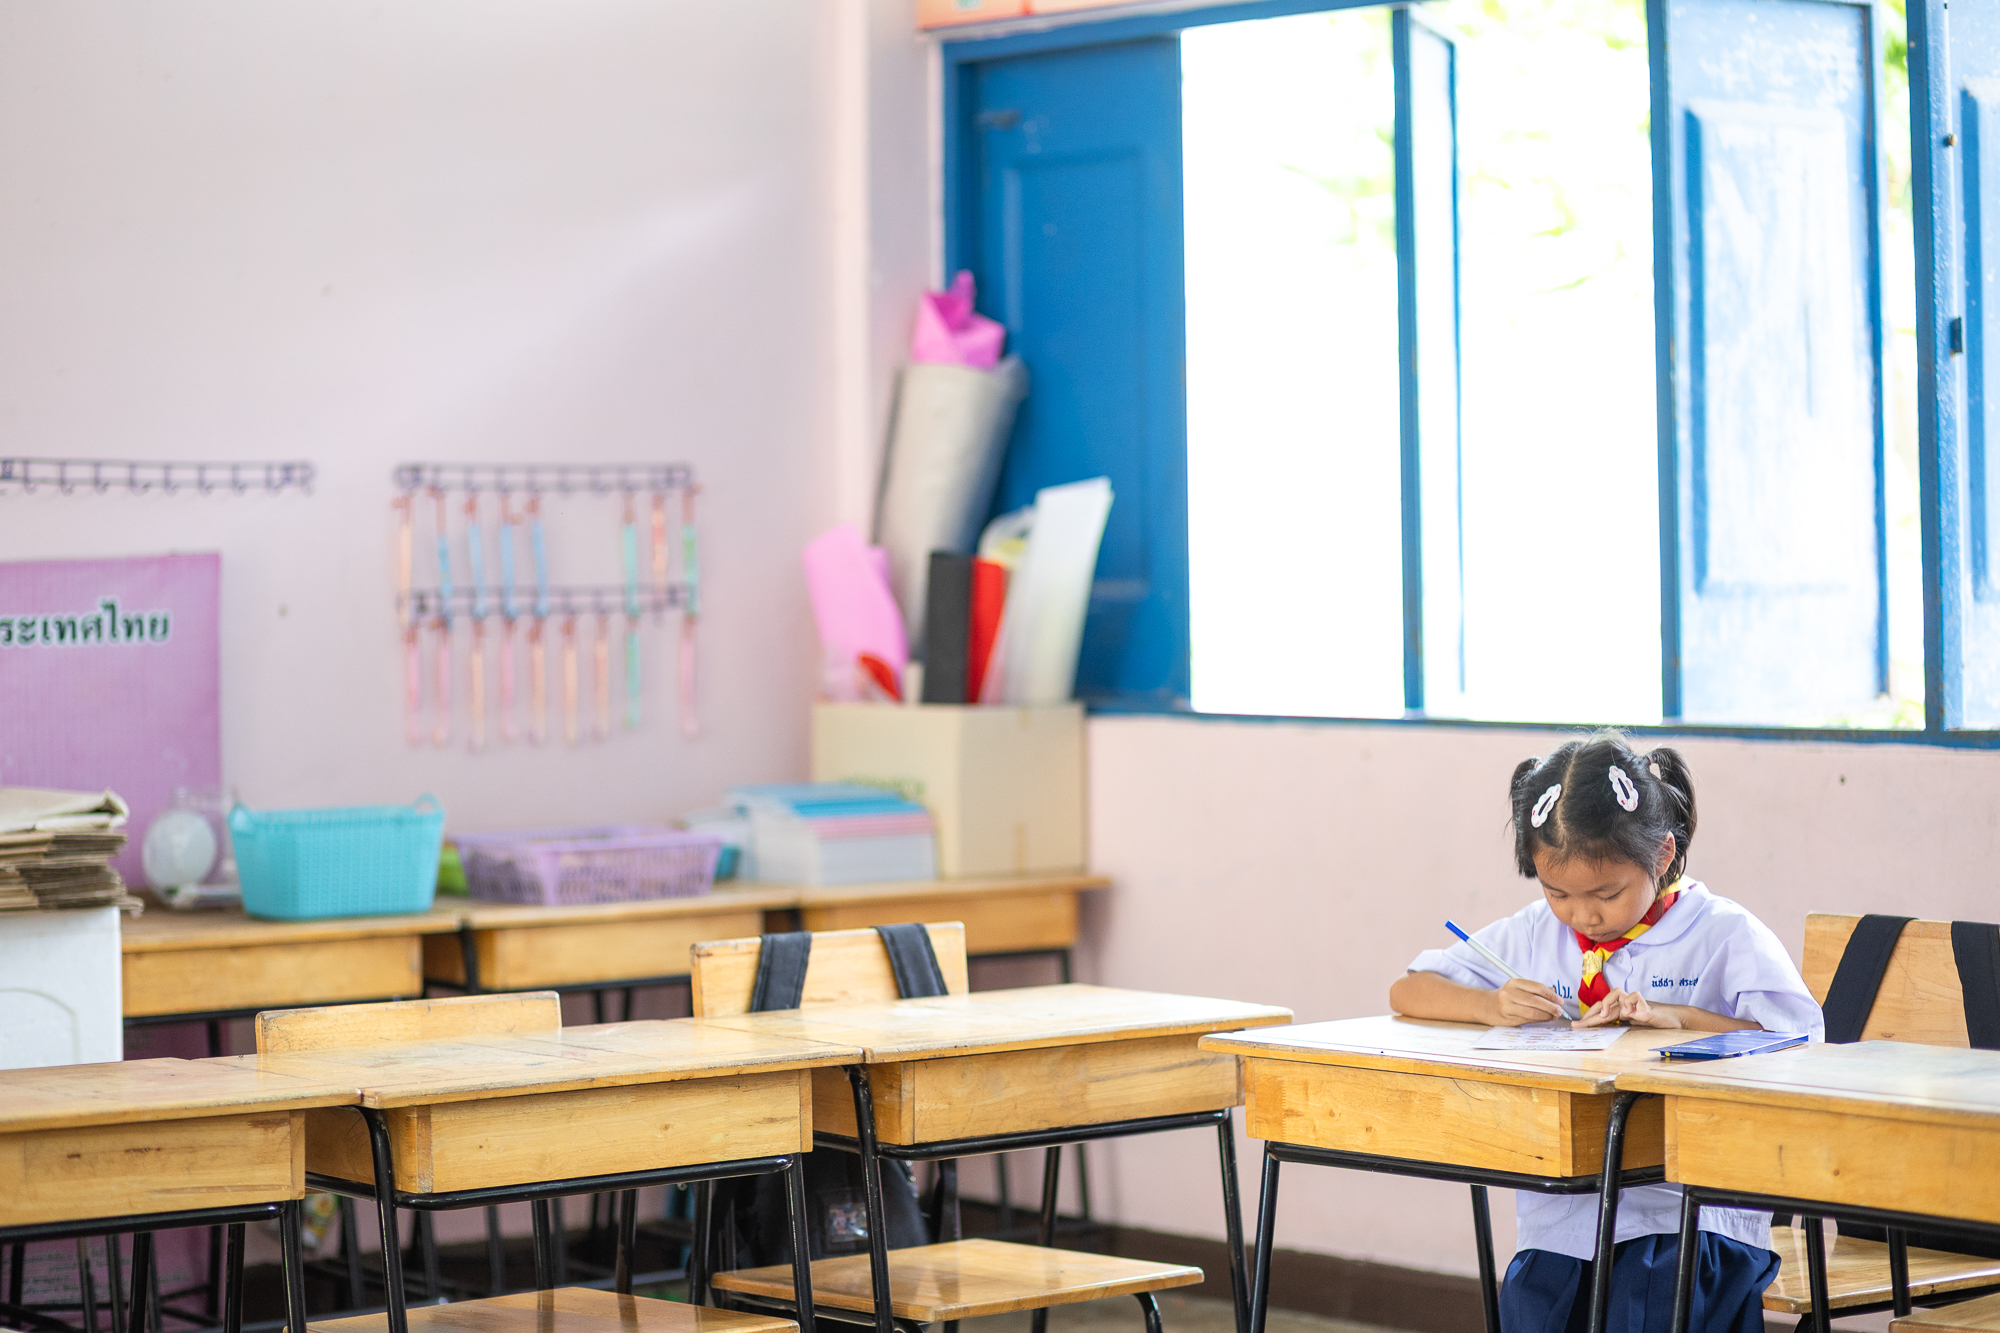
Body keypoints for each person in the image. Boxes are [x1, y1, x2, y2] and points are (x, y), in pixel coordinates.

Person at [1389, 731, 1823, 1333]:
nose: (1583, 915)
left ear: (1663, 855)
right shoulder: (1537, 932)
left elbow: (1802, 1044)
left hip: (1692, 1217)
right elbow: (1408, 990)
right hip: (1564, 1220)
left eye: (1607, 893)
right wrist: (1490, 1004)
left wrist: (1681, 1018)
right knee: (1532, 1310)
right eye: (1557, 892)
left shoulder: (1722, 933)